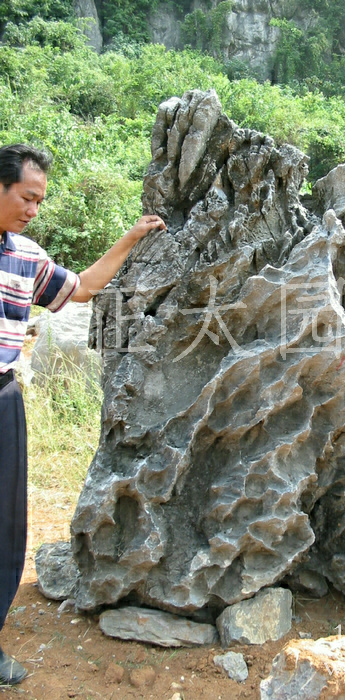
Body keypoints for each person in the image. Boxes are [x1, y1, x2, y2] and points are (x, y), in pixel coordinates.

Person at [0, 143, 166, 685]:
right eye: (26, 197)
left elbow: (84, 289)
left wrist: (133, 236)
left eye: (40, 201)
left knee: (6, 525)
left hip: (3, 397)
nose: (33, 209)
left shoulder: (25, 255)